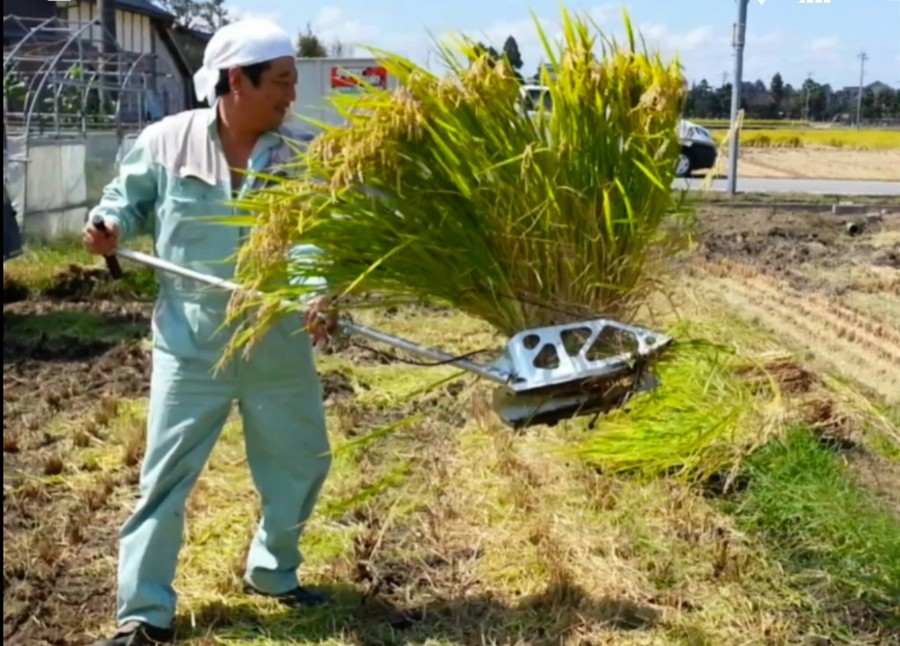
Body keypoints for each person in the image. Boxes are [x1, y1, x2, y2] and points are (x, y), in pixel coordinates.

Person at [83, 18, 337, 646]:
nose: (289, 96)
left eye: (290, 83)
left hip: (275, 342)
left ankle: (274, 572)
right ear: (235, 82)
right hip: (190, 345)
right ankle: (143, 612)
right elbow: (124, 201)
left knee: (301, 464)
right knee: (164, 479)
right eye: (279, 82)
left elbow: (307, 244)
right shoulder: (168, 142)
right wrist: (106, 225)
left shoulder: (295, 158)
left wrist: (315, 293)